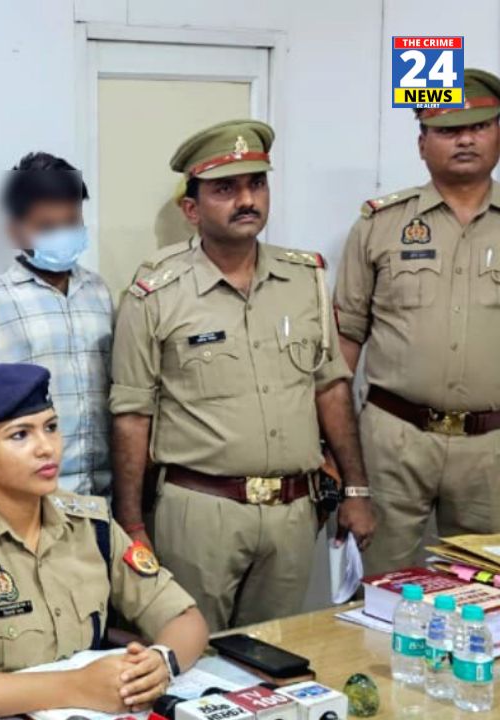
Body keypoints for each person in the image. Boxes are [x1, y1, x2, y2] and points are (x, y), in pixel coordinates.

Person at [109, 120, 376, 631]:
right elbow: (131, 415)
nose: (247, 200)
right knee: (193, 652)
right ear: (192, 210)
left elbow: (331, 387)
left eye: (256, 184)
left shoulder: (305, 279)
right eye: (225, 189)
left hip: (293, 513)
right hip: (200, 511)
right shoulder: (155, 294)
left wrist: (357, 491)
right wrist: (132, 524)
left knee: (278, 654)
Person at [0, 364, 207, 719]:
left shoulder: (91, 525)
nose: (46, 448)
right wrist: (74, 687)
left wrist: (161, 662)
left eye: (51, 427)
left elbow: (186, 619)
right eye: (20, 435)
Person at [335, 68, 500, 575]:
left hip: (491, 448)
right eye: (449, 129)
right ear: (422, 143)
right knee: (382, 587)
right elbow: (345, 339)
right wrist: (336, 453)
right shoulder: (381, 225)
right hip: (394, 440)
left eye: (479, 126)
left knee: (487, 591)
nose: (465, 140)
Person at [0, 151, 113, 495]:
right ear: (16, 231)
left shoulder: (99, 292)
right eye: (47, 227)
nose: (62, 234)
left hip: (103, 491)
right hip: (32, 493)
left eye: (71, 222)